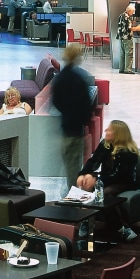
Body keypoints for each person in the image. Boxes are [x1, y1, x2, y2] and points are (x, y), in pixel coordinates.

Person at [75, 119, 140, 242]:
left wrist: (97, 179)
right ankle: (87, 221)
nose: (105, 131)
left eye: (109, 129)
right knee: (85, 186)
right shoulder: (105, 145)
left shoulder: (128, 152)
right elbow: (93, 161)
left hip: (123, 182)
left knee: (103, 194)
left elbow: (119, 176)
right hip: (106, 178)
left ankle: (123, 228)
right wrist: (83, 174)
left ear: (118, 134)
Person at [51, 42, 95, 189]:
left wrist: (67, 113)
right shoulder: (79, 78)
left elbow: (56, 101)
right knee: (74, 166)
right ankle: (73, 195)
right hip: (76, 130)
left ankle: (71, 191)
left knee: (69, 164)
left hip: (65, 128)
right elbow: (87, 104)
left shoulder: (61, 78)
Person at [117, 2, 139, 73]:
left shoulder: (121, 15)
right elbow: (129, 28)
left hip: (121, 37)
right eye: (132, 12)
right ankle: (128, 69)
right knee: (129, 53)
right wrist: (138, 28)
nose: (132, 13)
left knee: (122, 54)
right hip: (127, 38)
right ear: (129, 11)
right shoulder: (127, 17)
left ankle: (121, 68)